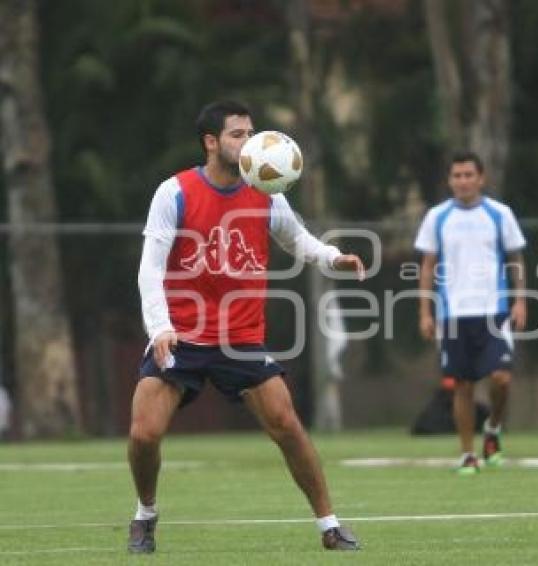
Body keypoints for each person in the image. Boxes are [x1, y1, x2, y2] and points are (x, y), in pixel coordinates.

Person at [128, 100, 364, 553]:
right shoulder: (173, 192)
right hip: (183, 336)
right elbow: (149, 270)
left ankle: (330, 526)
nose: (250, 140)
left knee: (287, 425)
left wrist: (334, 257)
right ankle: (145, 515)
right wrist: (160, 327)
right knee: (144, 434)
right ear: (211, 142)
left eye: (251, 132)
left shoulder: (267, 191)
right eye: (238, 133)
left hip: (241, 338)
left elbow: (297, 239)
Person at [415, 151, 527, 475]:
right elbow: (427, 268)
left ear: (481, 178)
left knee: (502, 379)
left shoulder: (499, 214)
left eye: (468, 175)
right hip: (452, 315)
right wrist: (425, 312)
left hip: (494, 310)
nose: (463, 181)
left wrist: (521, 301)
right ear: (450, 180)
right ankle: (467, 454)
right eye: (457, 176)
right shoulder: (437, 217)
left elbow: (516, 259)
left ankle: (492, 429)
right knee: (461, 385)